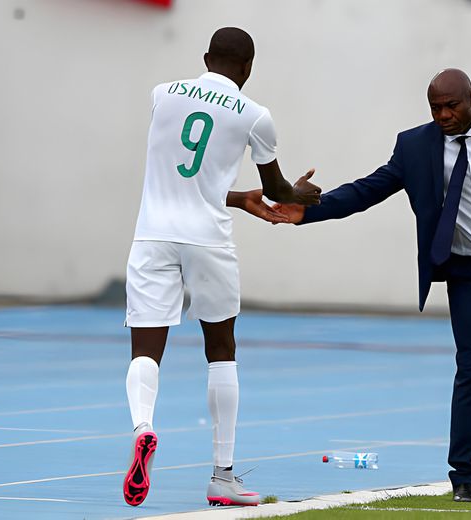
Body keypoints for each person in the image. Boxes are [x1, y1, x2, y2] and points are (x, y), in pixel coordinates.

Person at [271, 69, 471, 502]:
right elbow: (368, 190)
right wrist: (308, 211)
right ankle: (464, 475)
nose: (443, 115)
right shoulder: (415, 146)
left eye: (451, 106)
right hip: (470, 272)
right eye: (435, 108)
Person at [123, 27, 320, 508]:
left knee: (145, 350)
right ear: (248, 68)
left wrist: (234, 197)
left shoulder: (162, 94)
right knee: (221, 350)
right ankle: (222, 476)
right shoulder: (255, 115)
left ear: (206, 57)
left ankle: (143, 427)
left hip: (152, 236)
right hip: (208, 239)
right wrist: (300, 193)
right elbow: (277, 191)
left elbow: (180, 173)